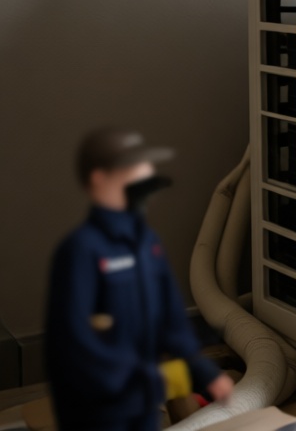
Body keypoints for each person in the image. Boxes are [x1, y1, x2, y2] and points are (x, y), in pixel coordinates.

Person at [45, 128, 233, 430]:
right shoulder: (81, 251)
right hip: (99, 407)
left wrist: (205, 373)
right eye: (133, 168)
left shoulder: (148, 244)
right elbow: (73, 341)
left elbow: (171, 320)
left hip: (143, 400)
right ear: (99, 179)